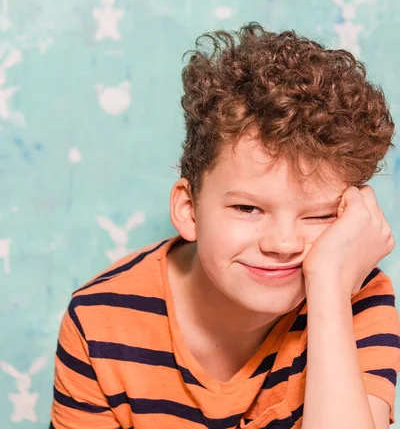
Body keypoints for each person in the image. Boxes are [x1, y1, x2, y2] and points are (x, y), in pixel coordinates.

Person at [49, 23, 400, 428]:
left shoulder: (355, 299)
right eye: (248, 209)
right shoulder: (100, 321)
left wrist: (328, 288)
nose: (284, 242)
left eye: (320, 215)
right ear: (189, 209)